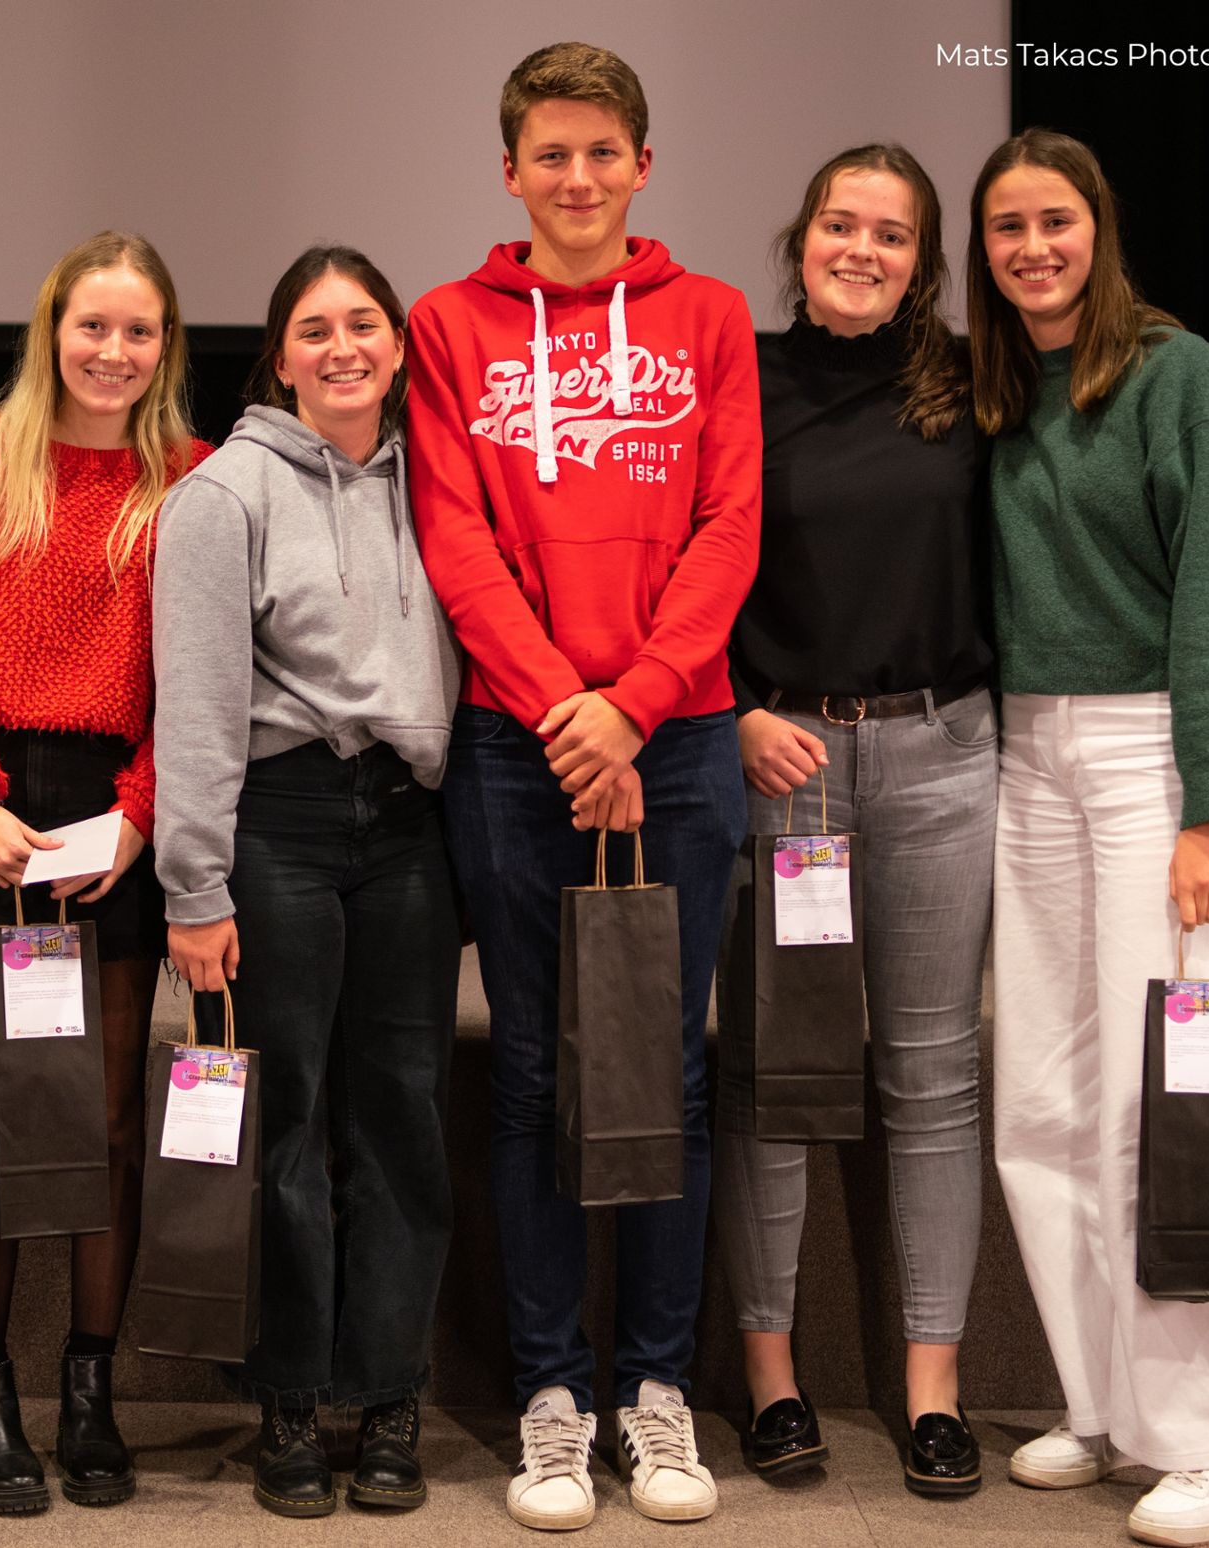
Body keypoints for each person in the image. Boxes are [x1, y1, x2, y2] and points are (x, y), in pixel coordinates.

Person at [406, 40, 759, 1532]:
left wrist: (636, 706)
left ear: (642, 166)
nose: (576, 179)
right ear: (510, 172)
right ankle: (554, 1398)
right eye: (549, 155)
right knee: (542, 1066)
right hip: (516, 741)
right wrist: (567, 709)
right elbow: (455, 537)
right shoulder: (445, 324)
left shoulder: (712, 316)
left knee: (667, 1069)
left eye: (601, 154)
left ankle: (657, 1393)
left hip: (674, 738)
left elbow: (731, 526)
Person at [969, 129, 1209, 1547]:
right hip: (1024, 754)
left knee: (1161, 1111)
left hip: (1156, 758)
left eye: (1053, 222)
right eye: (1004, 231)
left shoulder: (1181, 378)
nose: (1030, 249)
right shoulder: (996, 392)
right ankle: (1107, 1408)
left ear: (1097, 228)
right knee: (1039, 1103)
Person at [0, 230, 204, 1515]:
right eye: (93, 327)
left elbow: (201, 681)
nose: (113, 353)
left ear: (165, 347)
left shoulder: (192, 476)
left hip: (116, 821)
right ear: (51, 331)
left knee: (111, 1122)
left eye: (139, 332)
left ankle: (88, 1392)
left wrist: (139, 816)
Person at [152, 245, 465, 1518]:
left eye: (367, 325)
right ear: (278, 355)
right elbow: (201, 705)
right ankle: (286, 1391)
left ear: (398, 344)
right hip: (277, 822)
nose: (344, 347)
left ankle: (386, 1392)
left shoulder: (441, 485)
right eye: (315, 329)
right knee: (280, 1121)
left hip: (404, 826)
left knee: (401, 1113)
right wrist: (194, 886)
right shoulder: (224, 495)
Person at [715, 143, 992, 1497]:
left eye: (892, 234)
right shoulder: (742, 385)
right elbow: (683, 558)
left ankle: (933, 1392)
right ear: (803, 235)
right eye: (841, 224)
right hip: (789, 763)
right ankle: (773, 1382)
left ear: (923, 262)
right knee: (780, 1075)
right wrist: (728, 707)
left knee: (932, 1078)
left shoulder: (971, 389)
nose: (862, 250)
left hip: (944, 755)